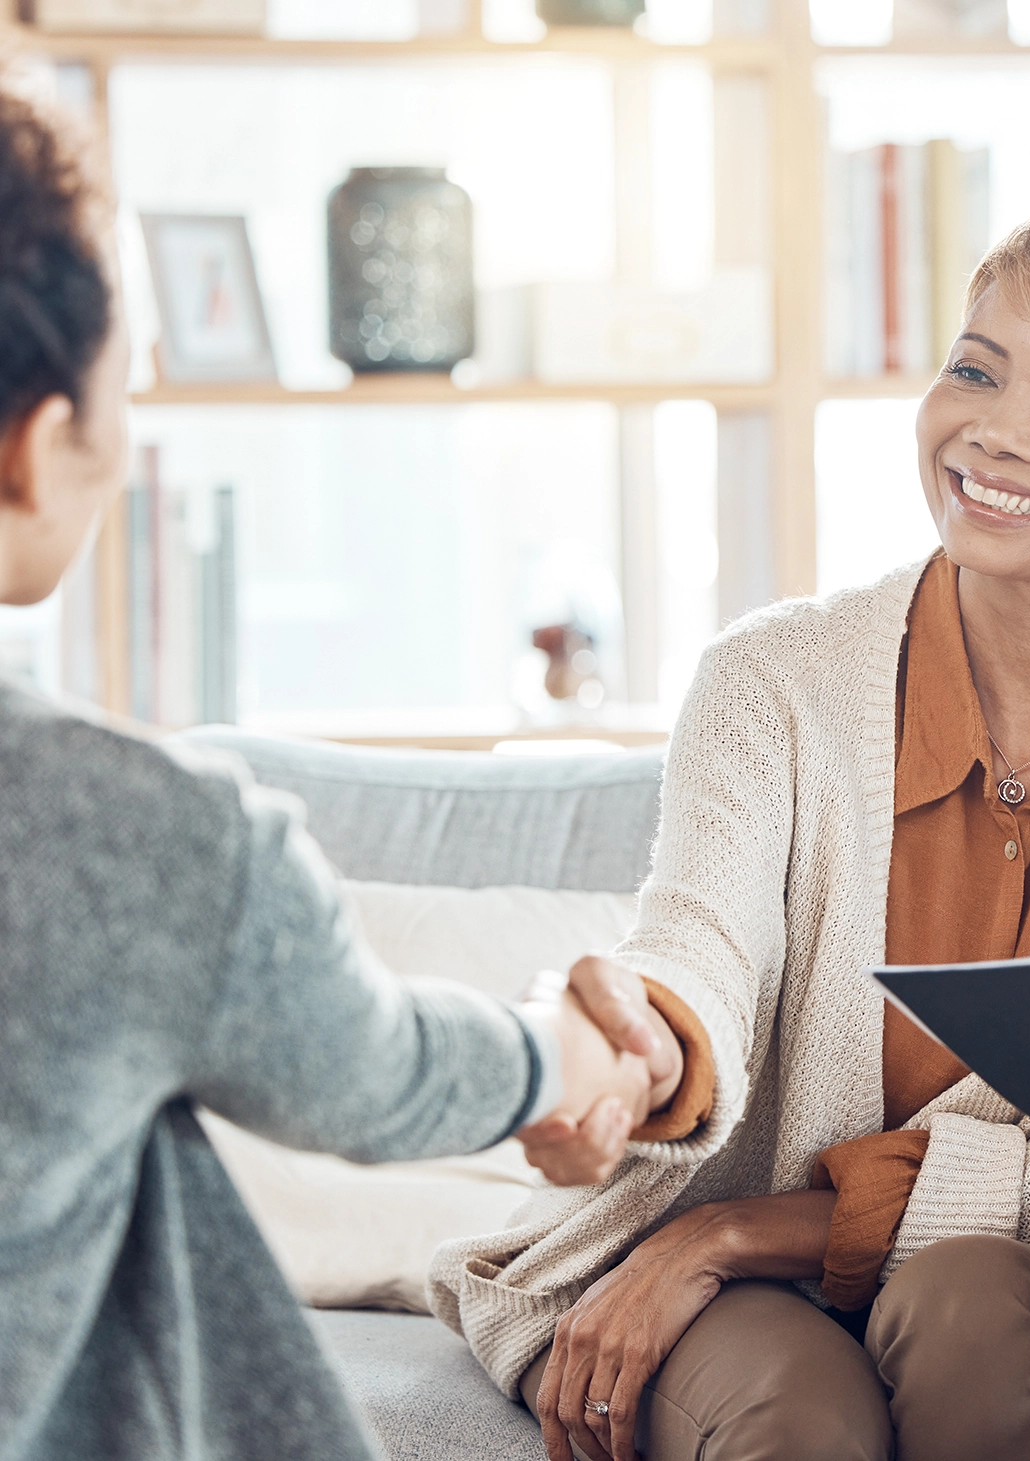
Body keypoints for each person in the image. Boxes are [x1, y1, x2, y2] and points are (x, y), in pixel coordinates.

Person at [428, 191, 1030, 1461]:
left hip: (998, 1277)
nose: (997, 431)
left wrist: (744, 1227)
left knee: (974, 1316)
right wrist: (647, 1051)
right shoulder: (774, 679)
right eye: (976, 370)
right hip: (742, 1293)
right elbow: (700, 940)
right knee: (799, 1423)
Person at [0, 88, 686, 1461]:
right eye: (124, 395)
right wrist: (572, 1046)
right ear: (35, 443)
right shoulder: (134, 836)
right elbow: (381, 1072)